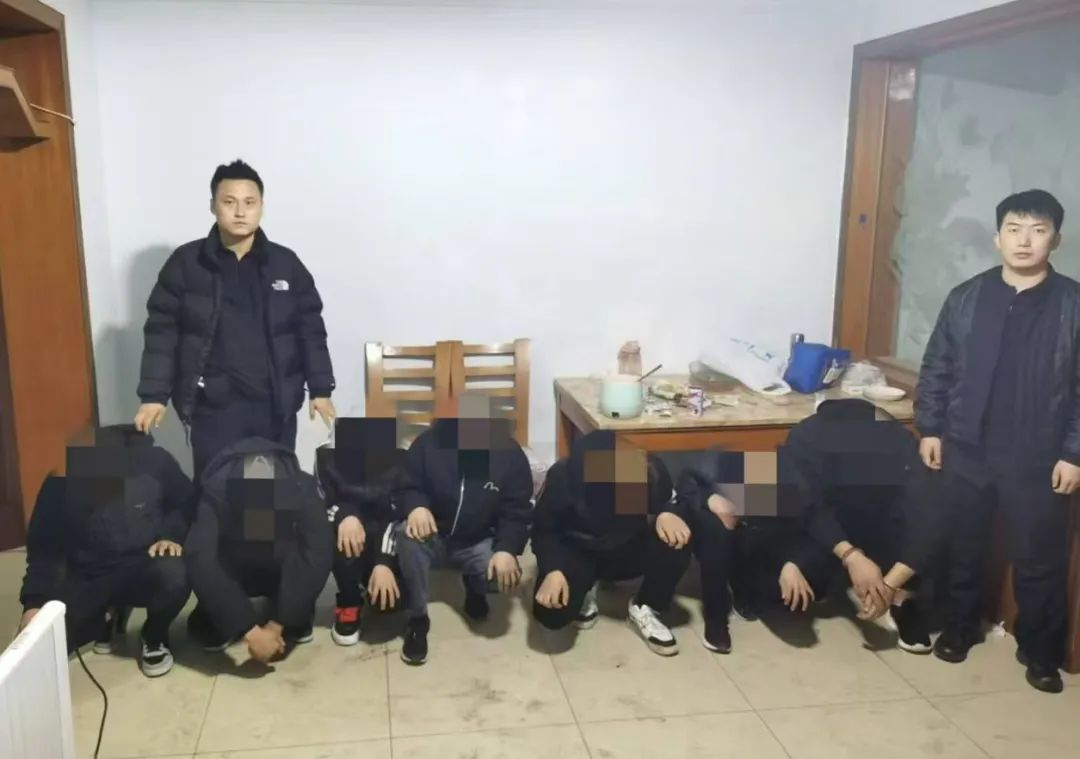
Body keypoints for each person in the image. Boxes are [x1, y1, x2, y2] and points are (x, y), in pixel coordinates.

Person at [916, 189, 1078, 693]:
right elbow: (938, 366)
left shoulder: (1073, 304)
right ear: (997, 238)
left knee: (1040, 558)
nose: (1024, 241)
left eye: (1038, 230)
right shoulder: (967, 297)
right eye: (1014, 229)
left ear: (1056, 239)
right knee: (963, 544)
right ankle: (958, 629)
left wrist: (1074, 452)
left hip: (1039, 454)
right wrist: (931, 427)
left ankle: (1040, 652)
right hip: (967, 445)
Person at [134, 159, 336, 479]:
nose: (240, 212)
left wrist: (321, 388)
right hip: (213, 408)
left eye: (249, 203)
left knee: (269, 491)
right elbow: (162, 332)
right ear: (213, 206)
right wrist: (153, 396)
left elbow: (310, 328)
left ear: (261, 206)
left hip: (273, 407)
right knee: (216, 490)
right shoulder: (186, 264)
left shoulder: (285, 264)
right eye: (229, 202)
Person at [753, 398, 944, 653]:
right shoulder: (807, 440)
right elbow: (808, 508)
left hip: (882, 524)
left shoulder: (899, 442)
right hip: (829, 529)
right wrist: (846, 556)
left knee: (933, 525)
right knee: (786, 588)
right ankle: (799, 572)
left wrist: (890, 585)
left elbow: (929, 519)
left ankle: (904, 600)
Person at [17, 425, 194, 677]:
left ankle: (154, 635)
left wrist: (171, 535)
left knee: (175, 573)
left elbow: (184, 503)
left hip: (144, 564)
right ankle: (108, 616)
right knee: (39, 654)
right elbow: (45, 551)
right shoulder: (60, 482)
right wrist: (35, 605)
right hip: (89, 575)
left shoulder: (155, 463)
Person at [393, 396, 535, 666]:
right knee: (406, 536)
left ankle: (475, 587)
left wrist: (507, 549)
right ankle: (417, 619)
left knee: (502, 577)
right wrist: (416, 506)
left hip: (478, 539)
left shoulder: (509, 455)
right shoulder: (428, 444)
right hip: (433, 535)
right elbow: (405, 485)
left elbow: (517, 511)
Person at [531, 431, 693, 656]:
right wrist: (553, 570)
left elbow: (674, 498)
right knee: (551, 615)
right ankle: (585, 588)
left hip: (625, 546)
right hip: (580, 550)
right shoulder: (562, 479)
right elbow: (544, 531)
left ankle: (645, 605)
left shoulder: (648, 471)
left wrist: (668, 512)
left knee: (678, 538)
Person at [184, 438, 333, 663]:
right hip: (234, 562)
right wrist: (248, 630)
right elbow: (200, 557)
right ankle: (219, 613)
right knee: (211, 616)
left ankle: (290, 611)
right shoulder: (215, 492)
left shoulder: (301, 486)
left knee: (305, 556)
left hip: (280, 563)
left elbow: (318, 551)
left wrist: (279, 623)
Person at [314, 417, 405, 646]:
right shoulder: (326, 458)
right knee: (335, 531)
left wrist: (383, 563)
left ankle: (377, 579)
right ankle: (349, 601)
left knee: (391, 605)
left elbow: (397, 514)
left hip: (384, 534)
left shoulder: (400, 459)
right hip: (351, 534)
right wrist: (345, 516)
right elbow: (322, 504)